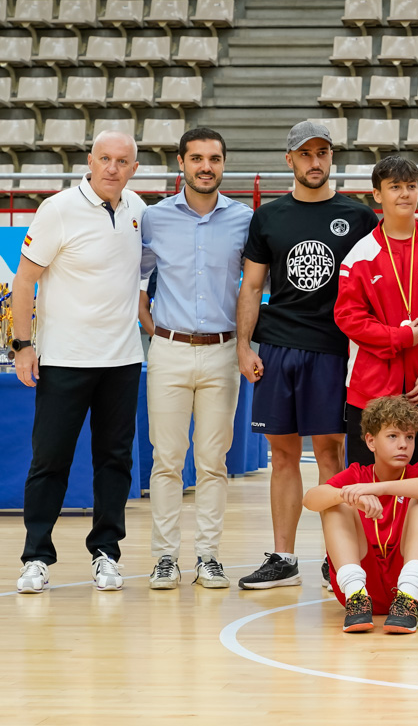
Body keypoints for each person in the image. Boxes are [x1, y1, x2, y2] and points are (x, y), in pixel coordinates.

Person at [235, 121, 377, 590]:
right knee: (282, 455)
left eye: (322, 153)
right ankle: (284, 558)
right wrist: (244, 345)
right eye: (305, 154)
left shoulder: (359, 217)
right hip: (278, 347)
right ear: (290, 159)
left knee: (331, 453)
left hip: (333, 349)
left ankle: (339, 560)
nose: (315, 162)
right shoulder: (268, 217)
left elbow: (391, 255)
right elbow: (252, 286)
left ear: (332, 157)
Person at [14, 131, 144, 593]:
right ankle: (36, 557)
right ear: (90, 161)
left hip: (123, 361)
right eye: (104, 158)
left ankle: (106, 553)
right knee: (50, 460)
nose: (112, 167)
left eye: (122, 161)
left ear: (134, 168)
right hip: (65, 360)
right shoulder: (58, 209)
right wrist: (22, 345)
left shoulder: (138, 210)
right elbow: (24, 281)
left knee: (115, 461)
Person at [137, 127, 253, 591]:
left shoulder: (244, 220)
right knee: (166, 460)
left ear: (224, 164)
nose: (206, 167)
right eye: (198, 158)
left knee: (212, 462)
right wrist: (148, 321)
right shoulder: (154, 218)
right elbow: (136, 274)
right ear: (181, 162)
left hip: (223, 353)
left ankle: (208, 556)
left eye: (214, 159)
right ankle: (165, 558)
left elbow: (255, 284)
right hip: (169, 351)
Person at [335, 155, 418, 483]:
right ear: (377, 194)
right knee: (371, 485)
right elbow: (348, 318)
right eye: (395, 187)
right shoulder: (360, 255)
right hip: (374, 390)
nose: (405, 194)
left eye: (411, 186)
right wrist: (401, 337)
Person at [302, 396, 418, 634]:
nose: (403, 445)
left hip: (412, 582)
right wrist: (350, 496)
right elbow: (310, 499)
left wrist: (378, 488)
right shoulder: (357, 474)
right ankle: (356, 596)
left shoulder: (417, 473)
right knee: (336, 503)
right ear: (371, 441)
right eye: (393, 436)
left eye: (409, 437)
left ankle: (408, 596)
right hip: (363, 577)